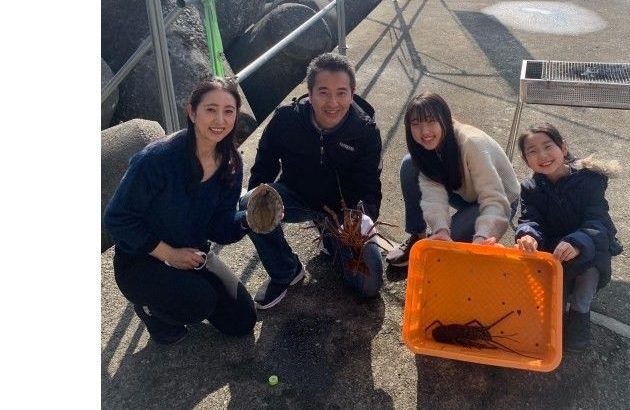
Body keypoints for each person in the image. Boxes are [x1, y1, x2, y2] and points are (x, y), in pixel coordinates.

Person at [104, 77, 256, 345]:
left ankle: (184, 294)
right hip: (141, 259)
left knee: (242, 320)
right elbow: (117, 219)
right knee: (199, 302)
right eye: (211, 109)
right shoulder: (155, 160)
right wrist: (170, 254)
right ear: (192, 112)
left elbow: (219, 227)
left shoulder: (232, 163)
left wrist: (249, 220)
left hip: (193, 253)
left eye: (228, 111)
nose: (220, 119)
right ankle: (150, 310)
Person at [242, 52, 383, 309]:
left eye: (341, 92)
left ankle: (330, 237)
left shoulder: (365, 131)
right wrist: (259, 195)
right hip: (296, 196)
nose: (332, 102)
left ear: (352, 93)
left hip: (342, 214)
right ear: (309, 91)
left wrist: (364, 217)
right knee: (248, 202)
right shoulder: (286, 118)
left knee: (368, 285)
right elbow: (265, 162)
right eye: (323, 92)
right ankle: (286, 271)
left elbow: (370, 184)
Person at [514, 122, 620, 352]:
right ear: (526, 160)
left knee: (590, 271)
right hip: (555, 250)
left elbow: (598, 221)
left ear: (563, 148)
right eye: (532, 151)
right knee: (551, 292)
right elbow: (530, 218)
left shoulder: (589, 180)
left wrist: (578, 241)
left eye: (547, 146)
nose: (542, 155)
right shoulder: (530, 187)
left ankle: (580, 312)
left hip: (589, 245)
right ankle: (555, 313)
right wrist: (528, 234)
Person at [386, 92, 520, 266]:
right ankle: (417, 236)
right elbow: (432, 189)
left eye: (431, 120)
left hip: (500, 201)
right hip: (464, 191)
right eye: (416, 123)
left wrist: (482, 237)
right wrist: (440, 229)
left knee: (448, 251)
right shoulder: (427, 146)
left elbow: (495, 199)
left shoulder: (472, 143)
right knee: (410, 165)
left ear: (445, 118)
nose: (424, 131)